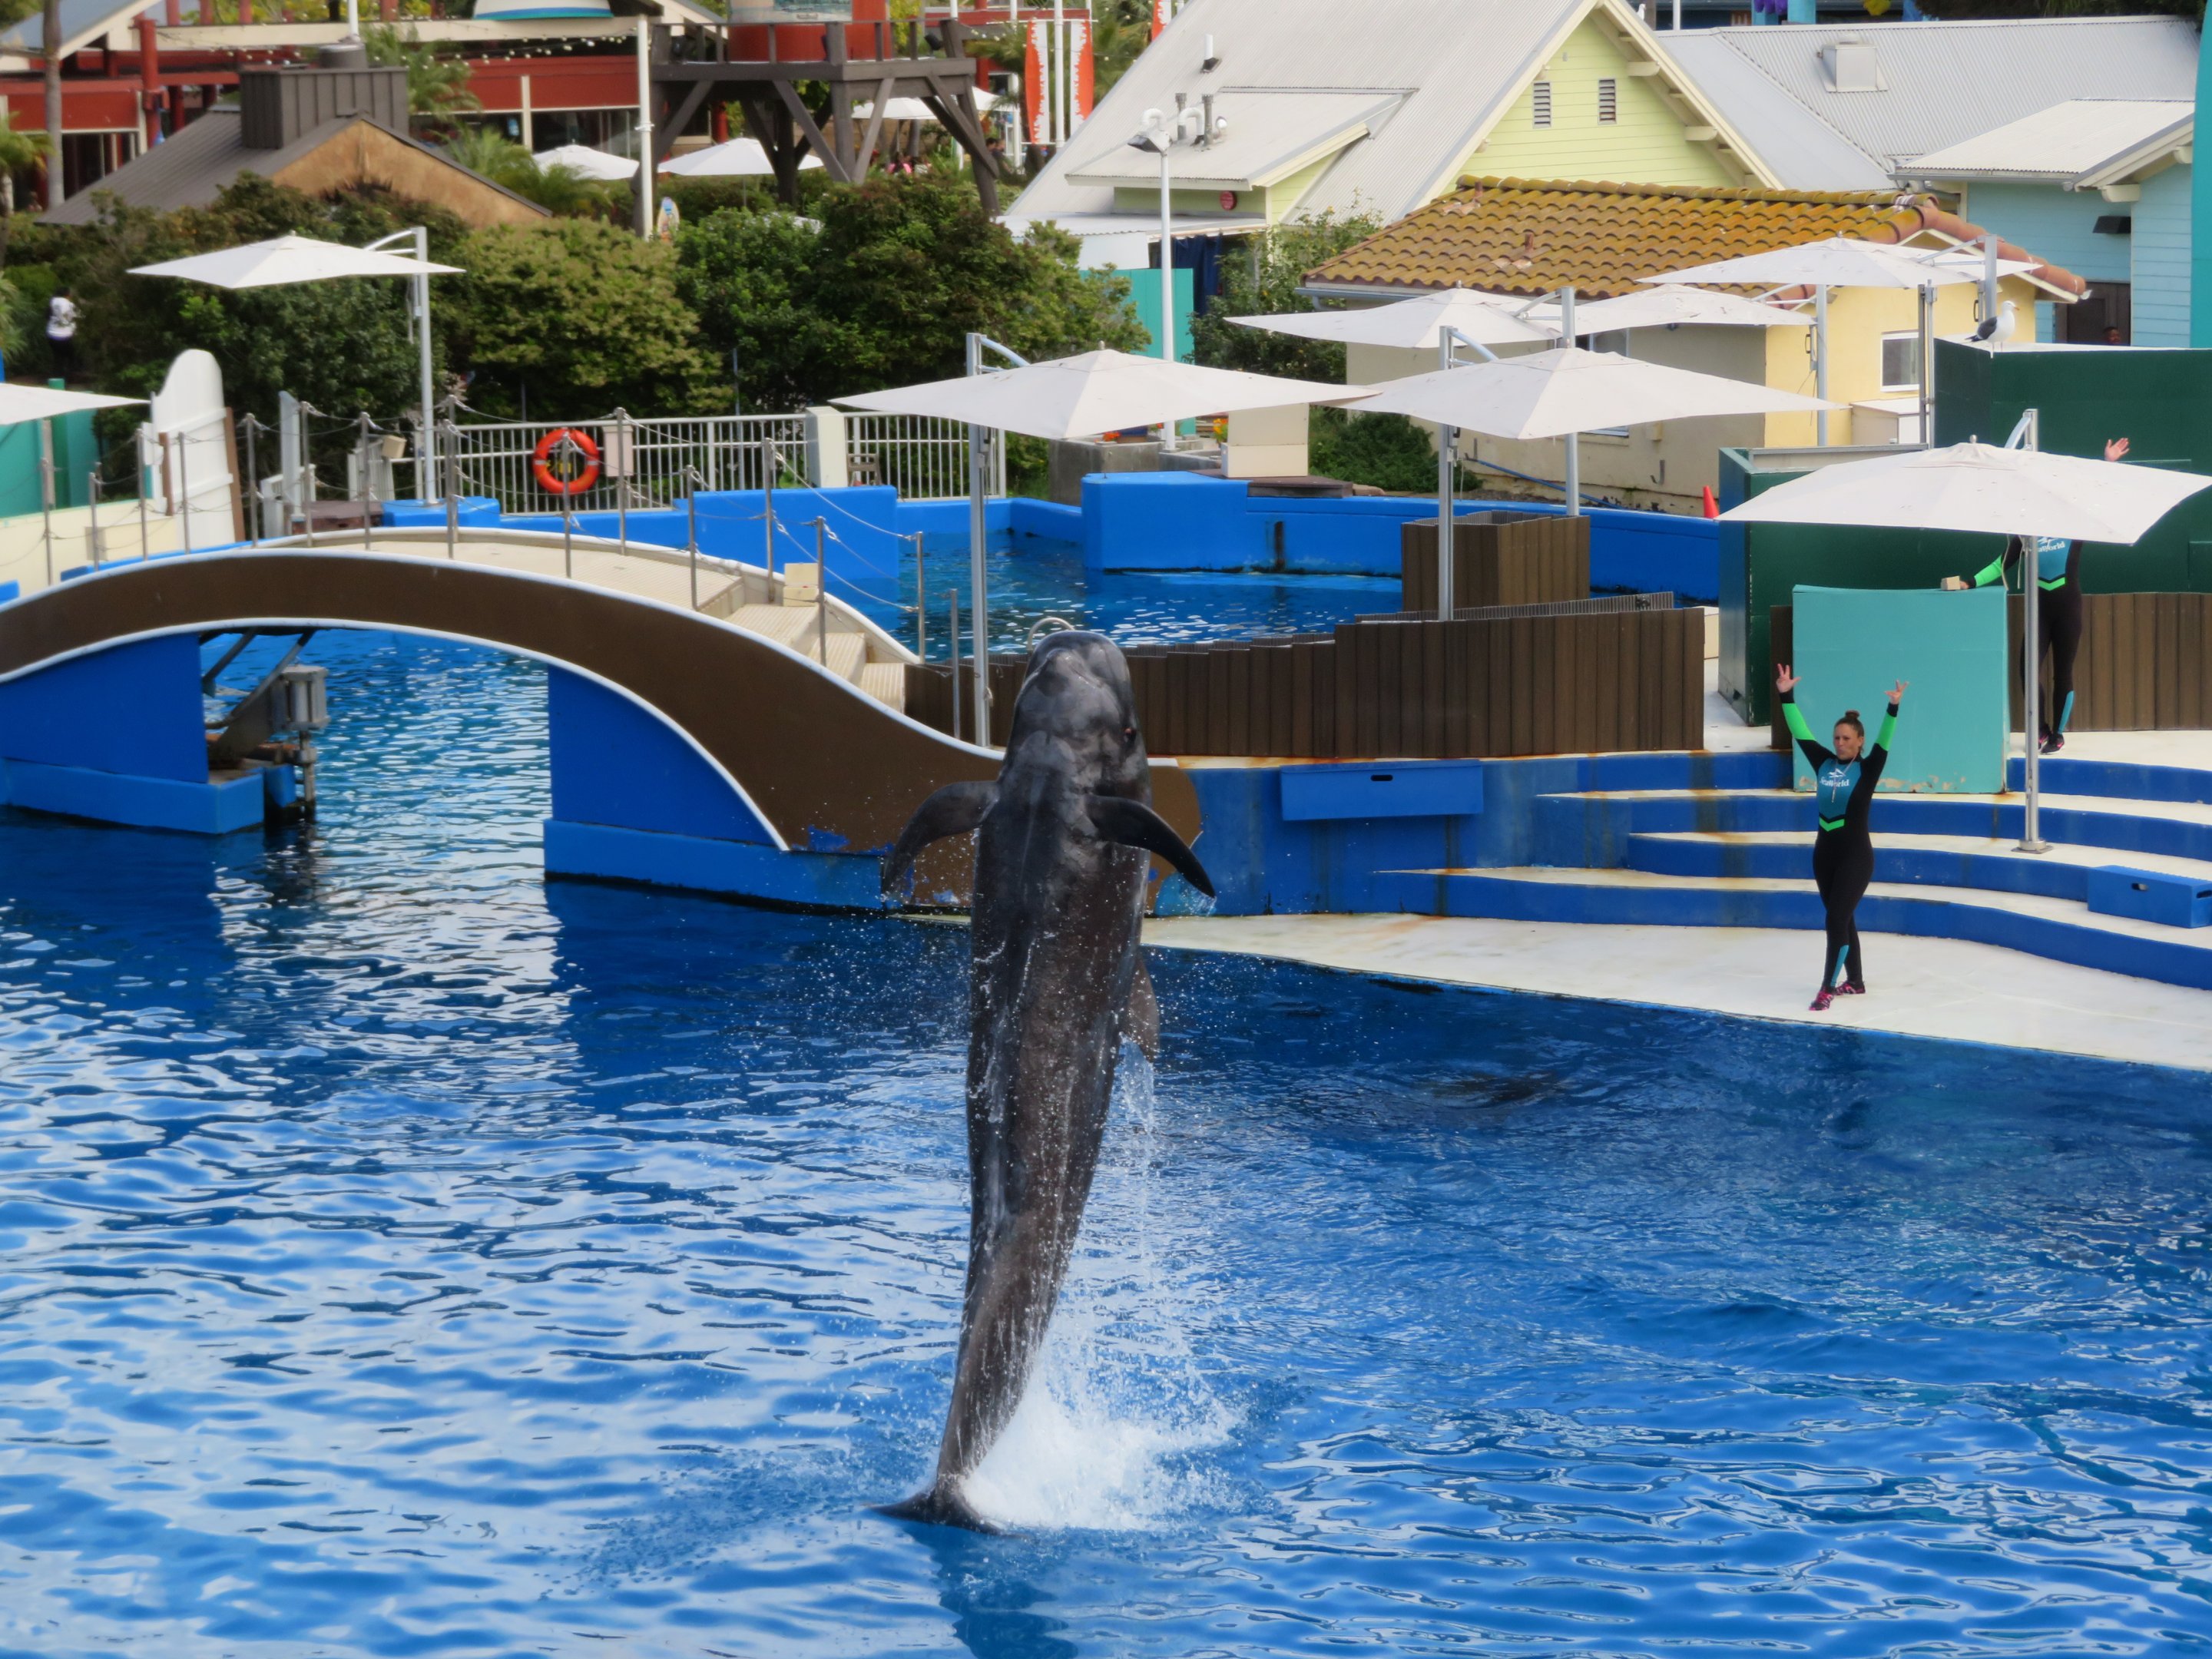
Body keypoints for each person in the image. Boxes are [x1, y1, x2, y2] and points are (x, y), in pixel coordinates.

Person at [1943, 436, 2128, 753]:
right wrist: (1970, 582)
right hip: (2039, 608)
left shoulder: (2075, 521)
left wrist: (2108, 464)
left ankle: (2057, 734)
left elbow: (2097, 495)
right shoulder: (2025, 528)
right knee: (2027, 668)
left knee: (2063, 673)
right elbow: (2004, 562)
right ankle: (2039, 729)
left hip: (2069, 606)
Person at [1776, 665, 1907, 1013]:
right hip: (1824, 855)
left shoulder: (1868, 767)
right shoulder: (1822, 762)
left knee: (1835, 920)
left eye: (1847, 738)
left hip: (1856, 857)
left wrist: (1893, 707)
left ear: (1859, 741)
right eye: (1836, 738)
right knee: (1843, 918)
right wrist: (1786, 695)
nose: (1840, 743)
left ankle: (1827, 988)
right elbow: (1800, 732)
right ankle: (1857, 981)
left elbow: (1885, 739)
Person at [45, 289, 77, 381]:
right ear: (67, 295)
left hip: (51, 335)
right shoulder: (70, 305)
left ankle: (56, 377)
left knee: (58, 357)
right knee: (71, 357)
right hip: (65, 336)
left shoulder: (52, 302)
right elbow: (72, 319)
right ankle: (67, 377)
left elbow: (47, 316)